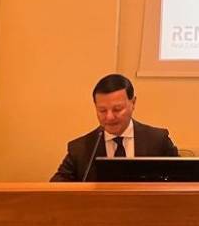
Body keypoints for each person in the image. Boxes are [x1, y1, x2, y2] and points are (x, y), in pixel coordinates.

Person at [51, 73, 179, 181]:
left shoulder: (157, 140)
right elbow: (56, 189)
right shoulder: (80, 149)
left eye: (117, 109)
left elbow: (182, 182)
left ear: (133, 103)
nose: (109, 117)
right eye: (102, 110)